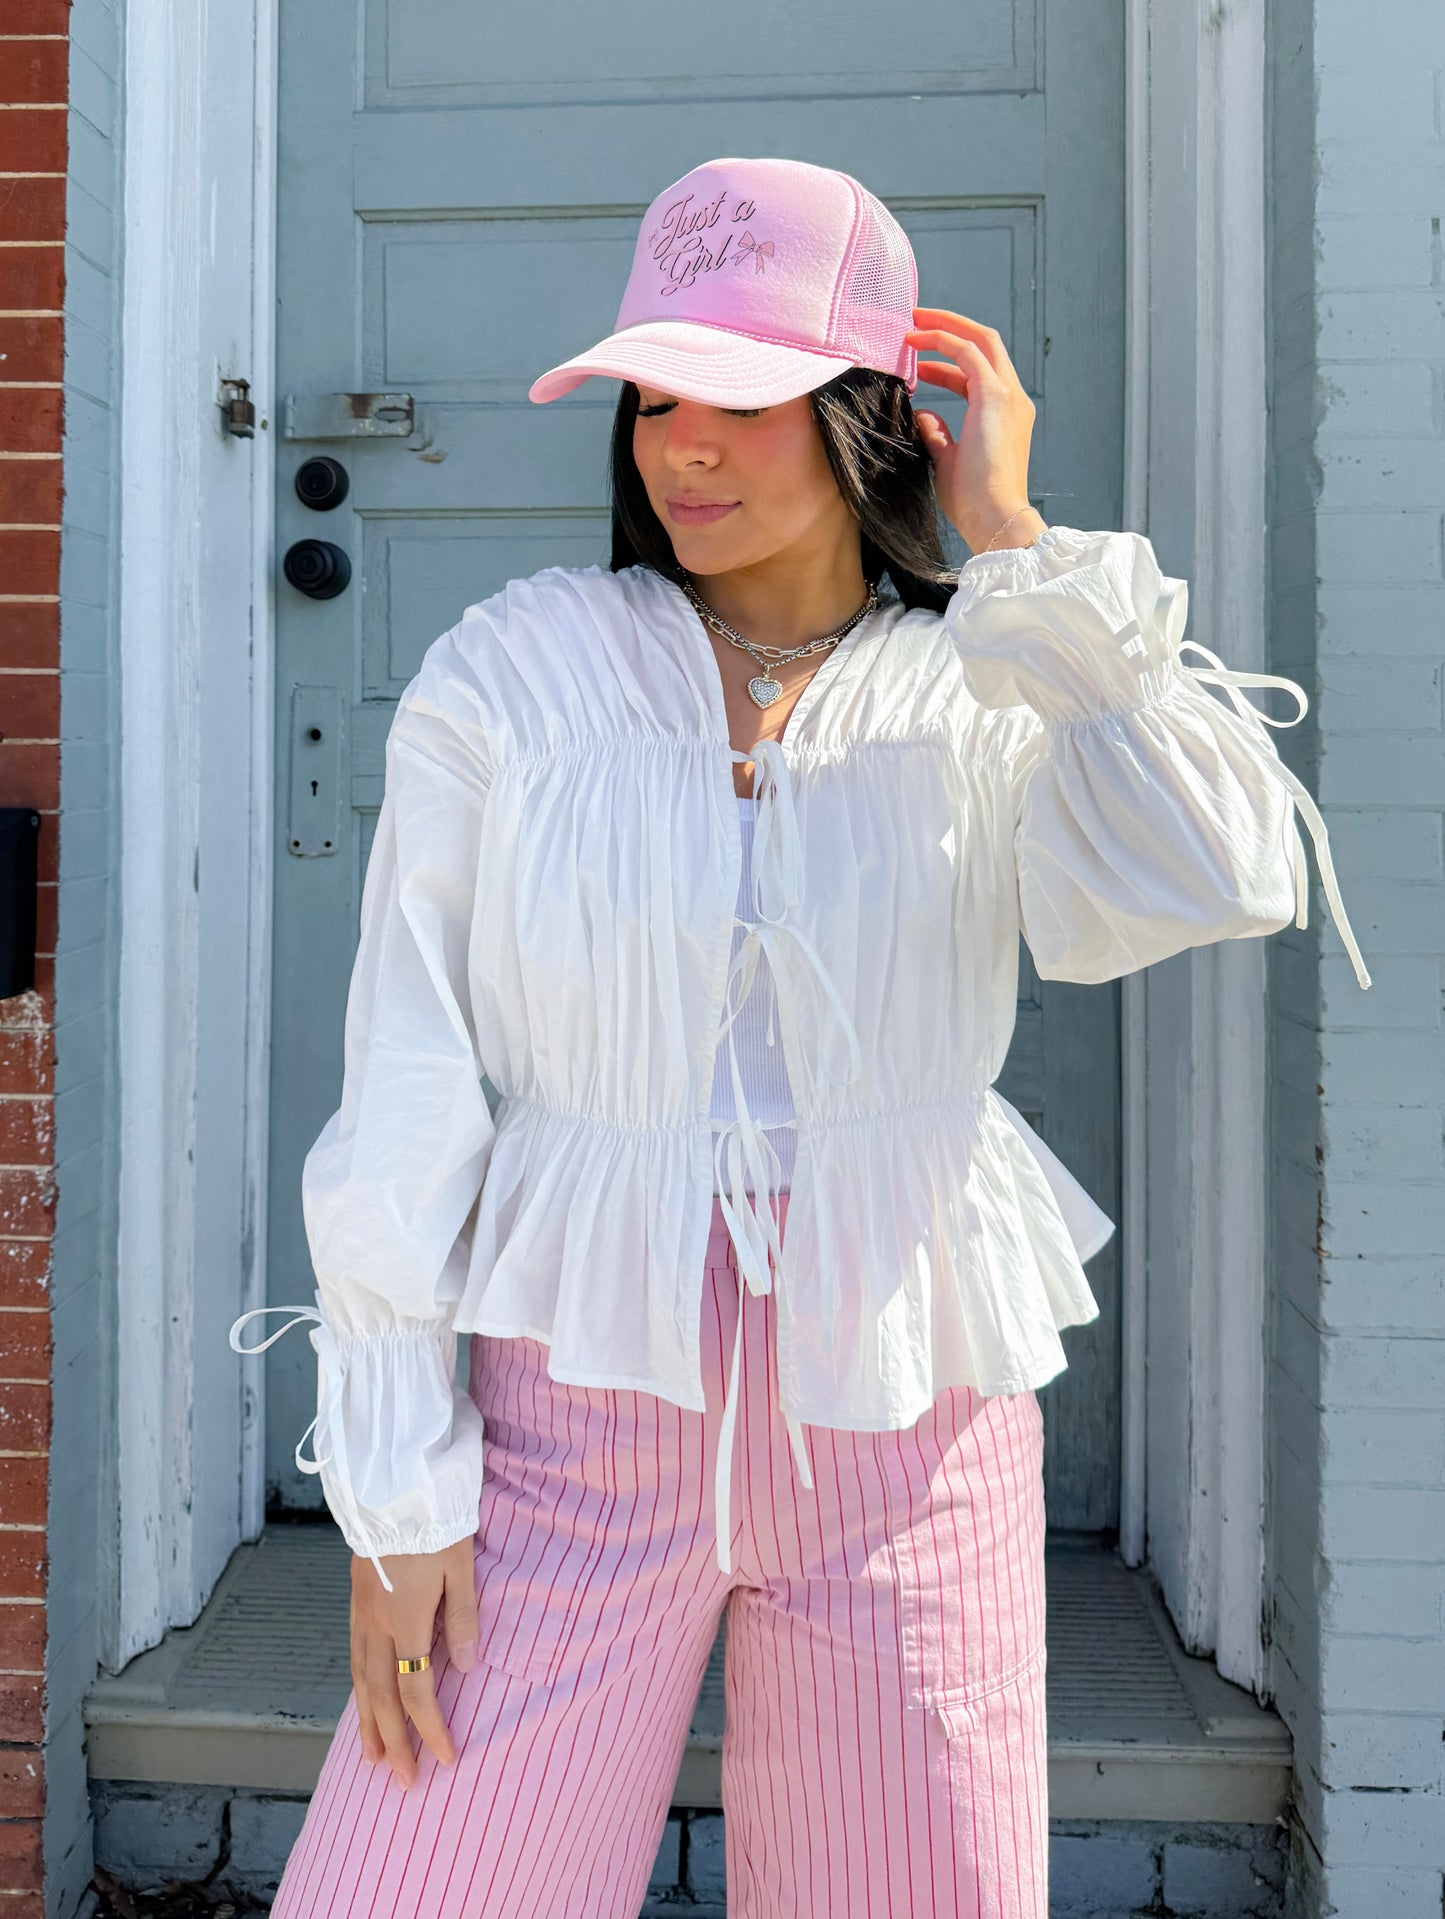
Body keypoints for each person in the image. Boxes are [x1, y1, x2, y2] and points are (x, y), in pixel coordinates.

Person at [230, 155, 1371, 1918]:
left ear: (872, 416)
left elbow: (1221, 867)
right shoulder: (515, 677)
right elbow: (407, 1078)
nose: (679, 446)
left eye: (741, 402)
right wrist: (395, 1492)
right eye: (653, 399)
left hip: (906, 1422)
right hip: (570, 1427)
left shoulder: (984, 678)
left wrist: (1015, 544)